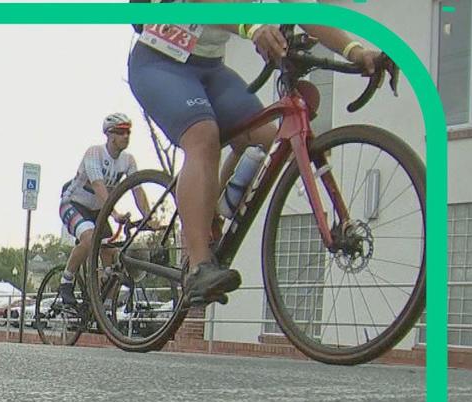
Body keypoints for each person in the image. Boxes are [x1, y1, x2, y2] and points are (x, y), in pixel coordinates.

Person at [127, 1, 382, 305]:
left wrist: (356, 52)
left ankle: (215, 208)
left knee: (268, 140)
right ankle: (198, 265)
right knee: (203, 137)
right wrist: (253, 27)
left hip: (209, 69)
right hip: (160, 62)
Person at [56, 113, 150, 306]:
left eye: (128, 132)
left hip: (99, 211)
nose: (126, 136)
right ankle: (66, 281)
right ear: (110, 135)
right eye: (121, 132)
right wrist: (115, 214)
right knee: (90, 238)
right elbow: (98, 186)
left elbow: (137, 189)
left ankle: (104, 310)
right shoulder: (94, 153)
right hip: (74, 204)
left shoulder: (128, 160)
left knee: (112, 260)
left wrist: (149, 217)